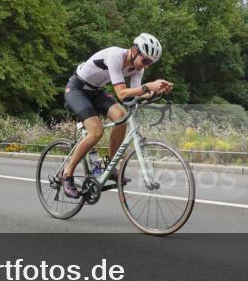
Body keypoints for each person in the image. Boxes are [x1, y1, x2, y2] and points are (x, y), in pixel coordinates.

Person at [60, 33, 174, 199]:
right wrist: (147, 86)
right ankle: (66, 173)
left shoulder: (137, 69)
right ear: (134, 51)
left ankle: (109, 166)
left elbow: (134, 95)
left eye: (150, 63)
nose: (146, 66)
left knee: (121, 118)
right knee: (96, 131)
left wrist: (155, 92)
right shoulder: (115, 55)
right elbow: (121, 94)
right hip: (77, 89)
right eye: (145, 61)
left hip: (95, 91)